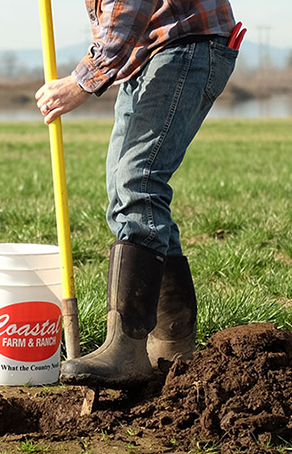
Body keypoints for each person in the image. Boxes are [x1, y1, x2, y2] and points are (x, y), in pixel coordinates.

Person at [34, 0, 238, 389]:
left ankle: (126, 347)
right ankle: (172, 347)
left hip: (185, 44)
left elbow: (127, 5)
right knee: (125, 189)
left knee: (137, 182)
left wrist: (81, 81)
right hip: (148, 54)